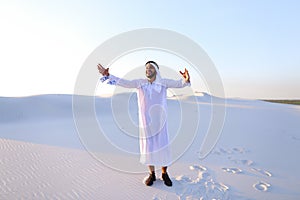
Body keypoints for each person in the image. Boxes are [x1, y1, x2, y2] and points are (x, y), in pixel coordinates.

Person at [97, 61, 191, 187]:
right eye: (147, 68)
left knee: (163, 146)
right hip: (146, 123)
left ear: (156, 70)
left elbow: (180, 84)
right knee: (148, 147)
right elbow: (124, 82)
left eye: (151, 67)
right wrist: (108, 75)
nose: (148, 70)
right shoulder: (140, 83)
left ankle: (164, 173)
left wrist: (185, 79)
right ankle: (152, 174)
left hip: (161, 122)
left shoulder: (163, 83)